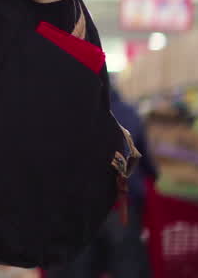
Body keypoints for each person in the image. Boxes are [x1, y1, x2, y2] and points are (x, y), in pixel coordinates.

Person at [46, 85, 158, 278]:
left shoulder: (70, 113)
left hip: (83, 207)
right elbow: (142, 156)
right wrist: (152, 176)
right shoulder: (128, 112)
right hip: (121, 204)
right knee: (126, 263)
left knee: (81, 264)